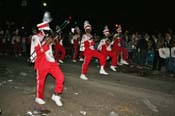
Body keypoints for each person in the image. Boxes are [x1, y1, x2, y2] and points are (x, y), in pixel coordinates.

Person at [30, 22, 64, 107]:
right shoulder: (36, 37)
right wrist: (47, 44)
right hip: (41, 62)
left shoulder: (48, 37)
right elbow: (38, 52)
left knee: (61, 77)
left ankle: (56, 95)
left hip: (51, 62)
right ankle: (39, 97)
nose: (48, 32)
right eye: (46, 30)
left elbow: (51, 50)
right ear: (41, 29)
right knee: (41, 81)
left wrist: (52, 42)